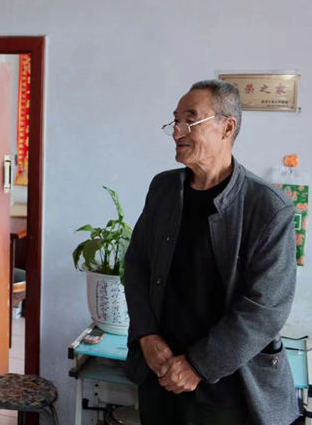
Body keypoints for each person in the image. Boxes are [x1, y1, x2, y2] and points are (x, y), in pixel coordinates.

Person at [124, 79, 299, 425]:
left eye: (190, 120)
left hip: (226, 389)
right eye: (175, 121)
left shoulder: (267, 207)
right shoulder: (164, 189)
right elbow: (137, 265)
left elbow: (266, 308)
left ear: (227, 128)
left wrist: (197, 365)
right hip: (160, 373)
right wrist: (146, 334)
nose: (177, 131)